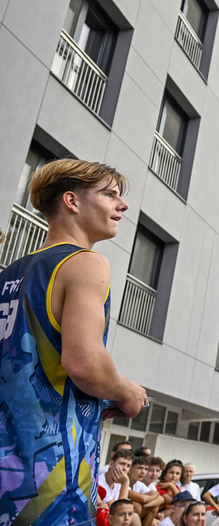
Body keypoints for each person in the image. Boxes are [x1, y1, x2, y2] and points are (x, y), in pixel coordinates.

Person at [0, 160, 147, 525]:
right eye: (110, 194)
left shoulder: (10, 274)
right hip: (50, 480)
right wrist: (126, 392)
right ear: (72, 201)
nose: (122, 205)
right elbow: (84, 364)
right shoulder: (85, 263)